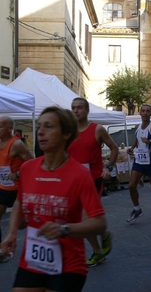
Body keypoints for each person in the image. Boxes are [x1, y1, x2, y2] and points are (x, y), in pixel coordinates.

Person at [0, 106, 106, 292]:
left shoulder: (80, 174)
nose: (40, 131)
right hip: (32, 259)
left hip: (68, 264)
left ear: (66, 133)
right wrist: (11, 232)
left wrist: (64, 229)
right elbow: (19, 200)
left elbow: (99, 222)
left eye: (48, 127)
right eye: (39, 126)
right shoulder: (28, 168)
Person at [69, 97, 118, 267]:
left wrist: (108, 167)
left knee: (85, 220)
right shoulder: (68, 132)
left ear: (87, 110)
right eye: (73, 108)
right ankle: (102, 241)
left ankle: (98, 250)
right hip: (74, 182)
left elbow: (114, 148)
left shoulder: (97, 129)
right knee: (83, 220)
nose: (76, 111)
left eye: (80, 108)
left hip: (94, 180)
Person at [0, 116, 33, 263]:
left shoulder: (17, 144)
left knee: (21, 224)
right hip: (3, 187)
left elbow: (32, 163)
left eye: (0, 126)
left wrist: (17, 173)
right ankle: (2, 251)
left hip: (18, 188)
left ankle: (30, 223)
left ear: (9, 128)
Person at [126, 104, 151, 222]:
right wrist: (131, 148)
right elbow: (136, 139)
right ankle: (137, 209)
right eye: (143, 111)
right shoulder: (138, 126)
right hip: (139, 161)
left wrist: (149, 142)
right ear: (140, 113)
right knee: (131, 185)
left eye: (148, 111)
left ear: (150, 113)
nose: (145, 113)